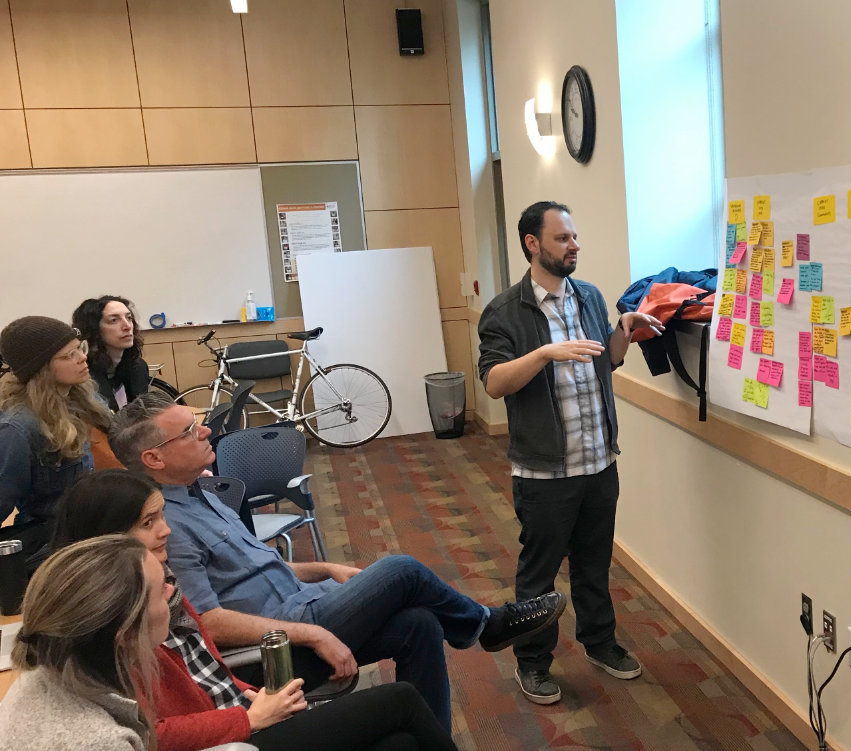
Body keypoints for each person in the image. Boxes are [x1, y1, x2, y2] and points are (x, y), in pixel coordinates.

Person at [107, 392, 567, 733]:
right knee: (402, 569)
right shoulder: (167, 527)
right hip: (277, 648)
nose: (206, 430)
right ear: (154, 457)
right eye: (189, 431)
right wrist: (315, 633)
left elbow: (255, 570)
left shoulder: (200, 493)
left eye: (197, 422)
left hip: (306, 606)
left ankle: (431, 742)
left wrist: (325, 569)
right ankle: (488, 625)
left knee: (421, 624)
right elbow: (209, 621)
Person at [49, 471, 462, 751]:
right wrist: (250, 717)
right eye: (148, 522)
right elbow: (151, 731)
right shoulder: (116, 614)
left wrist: (249, 697)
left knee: (409, 707)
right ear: (106, 535)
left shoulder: (162, 572)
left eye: (161, 516)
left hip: (243, 700)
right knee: (401, 680)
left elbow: (206, 669)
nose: (165, 529)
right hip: (237, 727)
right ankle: (482, 624)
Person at [477, 201, 665, 704]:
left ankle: (600, 643)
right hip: (544, 473)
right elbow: (494, 384)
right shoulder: (503, 311)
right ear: (532, 245)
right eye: (563, 238)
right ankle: (534, 663)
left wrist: (624, 331)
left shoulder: (589, 297)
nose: (574, 246)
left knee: (593, 564)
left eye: (575, 237)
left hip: (599, 462)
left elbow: (607, 363)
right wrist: (542, 354)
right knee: (538, 578)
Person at [0, 536, 160, 750]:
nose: (172, 591)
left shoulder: (41, 674)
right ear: (126, 634)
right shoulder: (102, 742)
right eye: (162, 590)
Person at [0, 316, 110, 557]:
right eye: (67, 356)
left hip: (96, 528)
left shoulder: (85, 399)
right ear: (41, 369)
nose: (82, 358)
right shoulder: (18, 427)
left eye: (79, 349)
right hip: (56, 545)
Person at [72, 295, 149, 412]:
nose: (127, 326)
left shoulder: (137, 366)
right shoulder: (84, 373)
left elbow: (143, 414)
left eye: (129, 318)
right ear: (94, 329)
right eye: (114, 320)